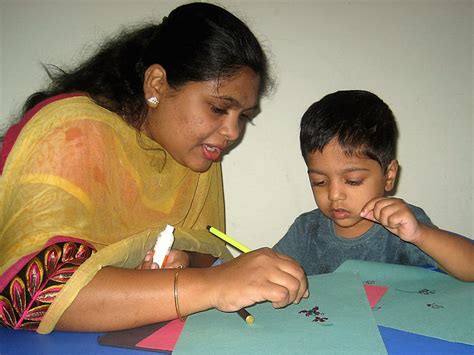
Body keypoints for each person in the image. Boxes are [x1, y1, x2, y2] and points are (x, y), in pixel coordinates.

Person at [0, 2, 308, 333]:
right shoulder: (71, 134)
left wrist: (183, 262)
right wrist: (211, 284)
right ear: (157, 84)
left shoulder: (196, 151)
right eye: (219, 108)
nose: (232, 133)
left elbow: (203, 243)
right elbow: (25, 299)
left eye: (243, 116)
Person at [273, 90, 473, 281]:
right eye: (320, 182)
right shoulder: (306, 230)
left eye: (353, 181)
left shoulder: (402, 224)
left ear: (389, 176)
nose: (334, 195)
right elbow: (269, 271)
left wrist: (419, 234)